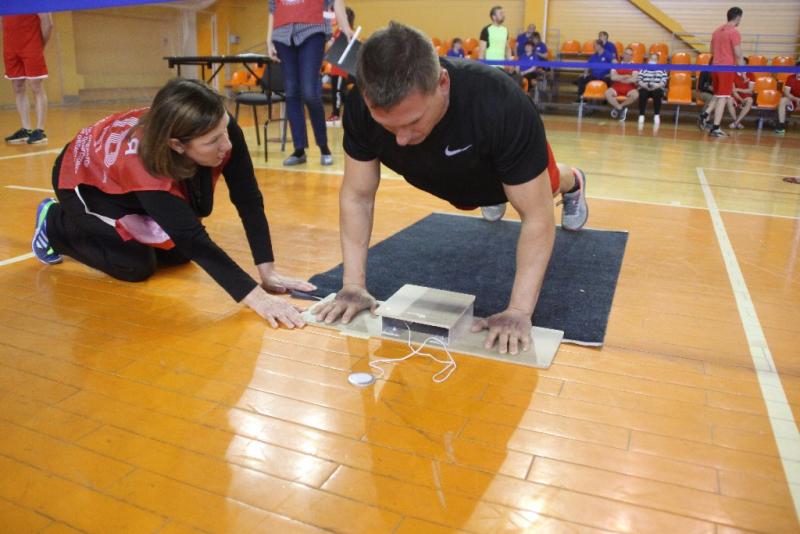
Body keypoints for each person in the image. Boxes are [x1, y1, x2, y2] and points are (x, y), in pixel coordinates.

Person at [314, 23, 589, 355]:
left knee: (548, 185)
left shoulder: (500, 103)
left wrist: (518, 311)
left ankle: (575, 180)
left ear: (442, 83)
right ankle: (492, 192)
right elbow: (357, 196)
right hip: (450, 178)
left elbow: (537, 216)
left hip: (498, 173)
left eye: (412, 122)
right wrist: (352, 285)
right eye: (387, 126)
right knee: (478, 190)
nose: (401, 140)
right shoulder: (360, 107)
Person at [31, 78, 314, 328]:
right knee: (135, 265)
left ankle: (132, 229)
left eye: (224, 131)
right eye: (213, 141)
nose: (227, 144)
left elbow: (247, 196)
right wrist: (259, 299)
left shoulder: (217, 123)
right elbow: (193, 238)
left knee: (178, 254)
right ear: (177, 145)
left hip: (136, 185)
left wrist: (268, 271)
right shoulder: (142, 165)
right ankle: (54, 223)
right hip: (86, 183)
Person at [267, 0, 353, 166]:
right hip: (282, 35)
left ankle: (323, 147)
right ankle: (299, 150)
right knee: (291, 93)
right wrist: (269, 39)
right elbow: (273, 8)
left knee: (309, 93)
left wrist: (345, 28)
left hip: (312, 30)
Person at [2, 12, 53, 145]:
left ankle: (40, 131)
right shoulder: (6, 3)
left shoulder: (36, 2)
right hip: (11, 47)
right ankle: (26, 129)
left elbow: (48, 24)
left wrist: (39, 46)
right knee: (17, 87)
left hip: (31, 45)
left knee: (36, 86)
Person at [698, 6, 744, 137]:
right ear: (738, 17)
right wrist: (743, 71)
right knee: (723, 97)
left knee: (718, 95)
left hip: (715, 67)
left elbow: (711, 51)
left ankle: (705, 114)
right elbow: (738, 53)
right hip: (726, 68)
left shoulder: (716, 31)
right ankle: (716, 128)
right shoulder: (734, 32)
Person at [326, 6, 356, 126]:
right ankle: (350, 114)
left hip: (341, 69)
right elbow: (330, 46)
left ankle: (336, 115)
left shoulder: (347, 32)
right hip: (334, 68)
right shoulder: (338, 31)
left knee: (338, 92)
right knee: (338, 93)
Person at [604, 47, 639, 121]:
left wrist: (619, 77)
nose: (628, 56)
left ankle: (619, 107)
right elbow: (613, 77)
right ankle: (620, 108)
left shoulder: (634, 66)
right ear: (623, 54)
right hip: (616, 86)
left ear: (632, 56)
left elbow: (634, 79)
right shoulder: (616, 65)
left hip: (629, 87)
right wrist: (626, 76)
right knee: (607, 93)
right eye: (626, 54)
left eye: (630, 55)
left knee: (635, 95)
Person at [635, 53, 667, 126]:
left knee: (657, 93)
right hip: (645, 87)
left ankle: (656, 115)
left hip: (656, 88)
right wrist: (645, 86)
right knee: (642, 93)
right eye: (652, 59)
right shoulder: (644, 68)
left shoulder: (662, 69)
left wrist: (656, 86)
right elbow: (639, 80)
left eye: (655, 59)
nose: (653, 60)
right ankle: (641, 115)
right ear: (649, 60)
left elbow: (664, 81)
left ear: (657, 61)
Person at [775, 61, 800, 135]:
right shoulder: (790, 78)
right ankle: (781, 126)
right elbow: (787, 92)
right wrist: (796, 99)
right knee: (783, 100)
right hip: (792, 99)